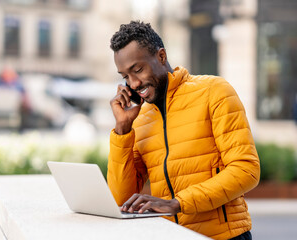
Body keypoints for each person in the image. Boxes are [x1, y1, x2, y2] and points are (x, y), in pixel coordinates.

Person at [108, 21, 260, 240]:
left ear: (161, 56)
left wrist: (177, 204)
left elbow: (246, 170)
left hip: (223, 236)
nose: (133, 83)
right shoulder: (139, 119)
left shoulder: (213, 91)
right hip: (171, 235)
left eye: (138, 69)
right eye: (125, 76)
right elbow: (120, 199)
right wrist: (122, 130)